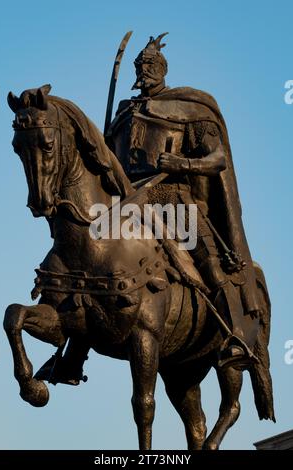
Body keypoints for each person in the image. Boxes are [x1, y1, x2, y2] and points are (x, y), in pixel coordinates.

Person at [36, 33, 262, 385]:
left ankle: (236, 338)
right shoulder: (125, 113)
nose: (145, 72)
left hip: (176, 201)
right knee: (88, 258)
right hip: (130, 201)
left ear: (163, 69)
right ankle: (72, 355)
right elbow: (108, 160)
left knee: (212, 267)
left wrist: (182, 164)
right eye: (141, 66)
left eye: (151, 66)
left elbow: (217, 160)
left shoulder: (191, 109)